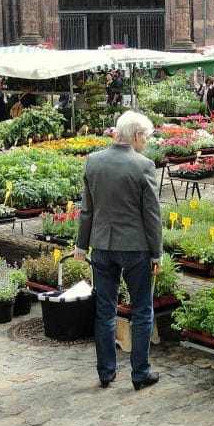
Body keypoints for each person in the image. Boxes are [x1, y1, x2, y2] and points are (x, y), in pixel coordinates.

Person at [74, 111, 162, 391]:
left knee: (105, 311)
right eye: (145, 137)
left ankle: (106, 372)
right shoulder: (143, 165)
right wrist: (157, 252)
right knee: (142, 311)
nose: (145, 142)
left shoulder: (94, 161)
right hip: (135, 248)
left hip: (101, 246)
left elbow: (86, 210)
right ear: (136, 136)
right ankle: (140, 372)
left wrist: (80, 245)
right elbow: (152, 215)